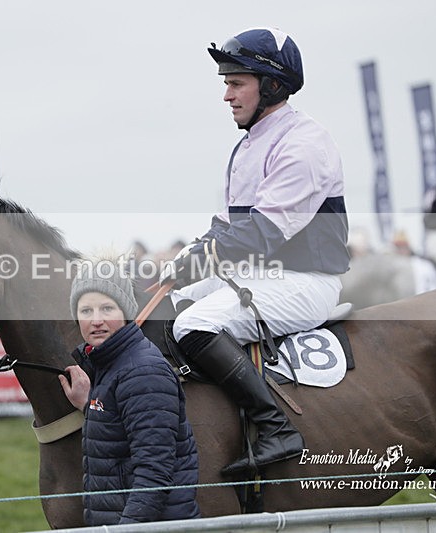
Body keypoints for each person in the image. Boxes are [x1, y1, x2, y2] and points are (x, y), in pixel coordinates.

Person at [158, 27, 350, 476]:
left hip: (304, 281)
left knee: (193, 324)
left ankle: (276, 427)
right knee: (168, 304)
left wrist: (197, 262)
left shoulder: (304, 145)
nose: (226, 95)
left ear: (273, 86)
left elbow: (261, 234)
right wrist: (178, 263)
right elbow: (225, 228)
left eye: (236, 83)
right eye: (226, 83)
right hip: (259, 275)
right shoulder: (250, 144)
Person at [58, 256, 200, 526]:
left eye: (107, 308)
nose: (96, 320)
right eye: (86, 311)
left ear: (126, 311)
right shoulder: (109, 364)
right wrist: (89, 406)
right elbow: (122, 433)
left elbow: (154, 475)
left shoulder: (143, 372)